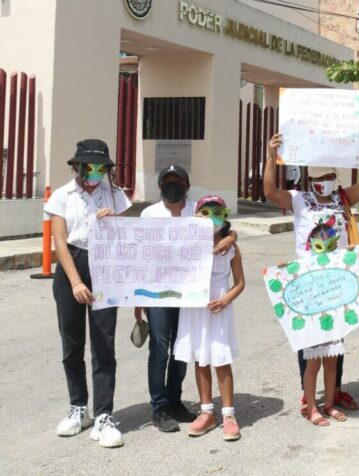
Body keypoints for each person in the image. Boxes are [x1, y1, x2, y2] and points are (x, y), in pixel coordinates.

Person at [265, 130, 359, 418]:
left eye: (329, 177)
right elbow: (270, 192)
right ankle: (308, 395)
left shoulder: (343, 197)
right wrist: (271, 156)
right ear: (311, 181)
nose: (325, 182)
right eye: (319, 178)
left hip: (337, 280)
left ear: (336, 177)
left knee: (336, 338)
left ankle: (334, 392)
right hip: (309, 281)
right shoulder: (299, 199)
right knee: (309, 340)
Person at [135, 165, 239, 433]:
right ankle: (159, 407)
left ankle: (175, 401)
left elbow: (222, 226)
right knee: (160, 348)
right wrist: (138, 297)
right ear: (160, 185)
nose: (173, 185)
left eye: (178, 180)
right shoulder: (148, 214)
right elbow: (140, 255)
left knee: (182, 349)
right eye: (167, 180)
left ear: (187, 185)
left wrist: (232, 237)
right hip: (158, 291)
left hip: (190, 293)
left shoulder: (197, 209)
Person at [48, 139, 131, 448]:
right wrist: (75, 282)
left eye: (100, 168)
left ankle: (104, 414)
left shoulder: (115, 195)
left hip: (105, 267)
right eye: (89, 167)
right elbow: (59, 242)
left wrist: (114, 222)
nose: (94, 173)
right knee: (72, 343)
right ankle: (78, 407)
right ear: (77, 166)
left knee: (103, 342)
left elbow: (130, 236)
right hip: (72, 265)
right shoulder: (62, 195)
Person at [173, 196, 245, 439]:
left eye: (217, 212)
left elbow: (240, 283)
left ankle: (228, 414)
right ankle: (206, 412)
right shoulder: (189, 244)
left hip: (219, 308)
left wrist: (225, 300)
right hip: (195, 307)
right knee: (200, 357)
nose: (211, 218)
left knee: (220, 357)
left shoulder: (231, 248)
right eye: (205, 212)